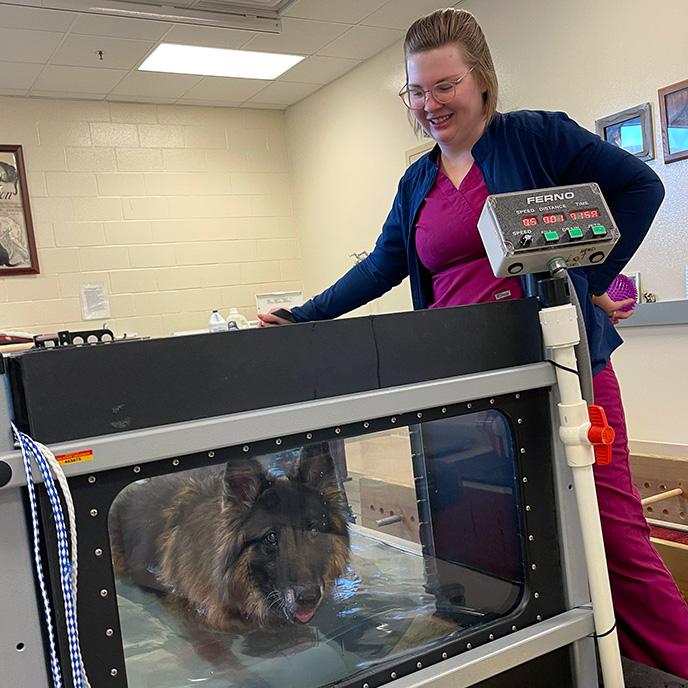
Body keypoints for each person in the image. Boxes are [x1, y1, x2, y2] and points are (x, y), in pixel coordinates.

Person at [258, 8, 688, 677]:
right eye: (416, 92)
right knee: (495, 540)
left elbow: (641, 186)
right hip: (471, 390)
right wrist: (307, 315)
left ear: (482, 82)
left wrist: (584, 277)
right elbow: (382, 265)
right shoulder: (418, 181)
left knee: (612, 534)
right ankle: (545, 661)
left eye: (444, 86)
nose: (430, 105)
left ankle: (673, 664)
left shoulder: (536, 138)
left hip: (561, 373)